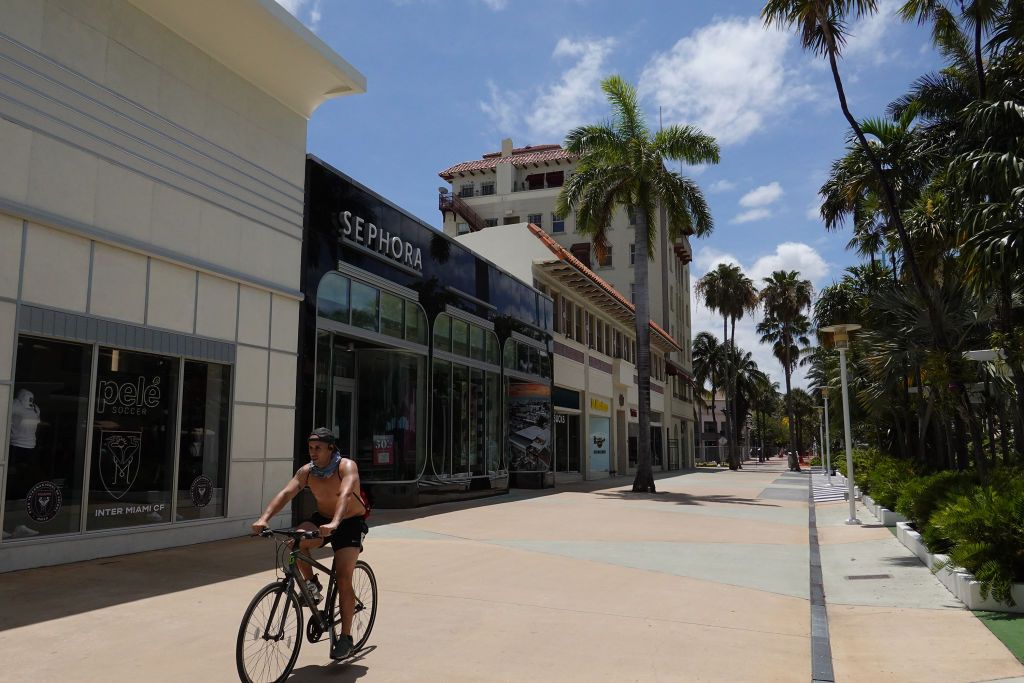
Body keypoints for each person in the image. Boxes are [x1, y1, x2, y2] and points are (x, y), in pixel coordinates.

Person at [252, 427, 368, 660]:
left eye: (318, 448)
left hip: (349, 521)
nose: (312, 452)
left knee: (344, 577)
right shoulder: (307, 471)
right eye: (310, 448)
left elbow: (345, 495)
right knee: (294, 541)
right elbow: (286, 493)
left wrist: (336, 522)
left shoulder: (346, 466)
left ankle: (345, 637)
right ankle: (312, 585)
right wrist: (264, 518)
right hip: (324, 519)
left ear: (330, 448)